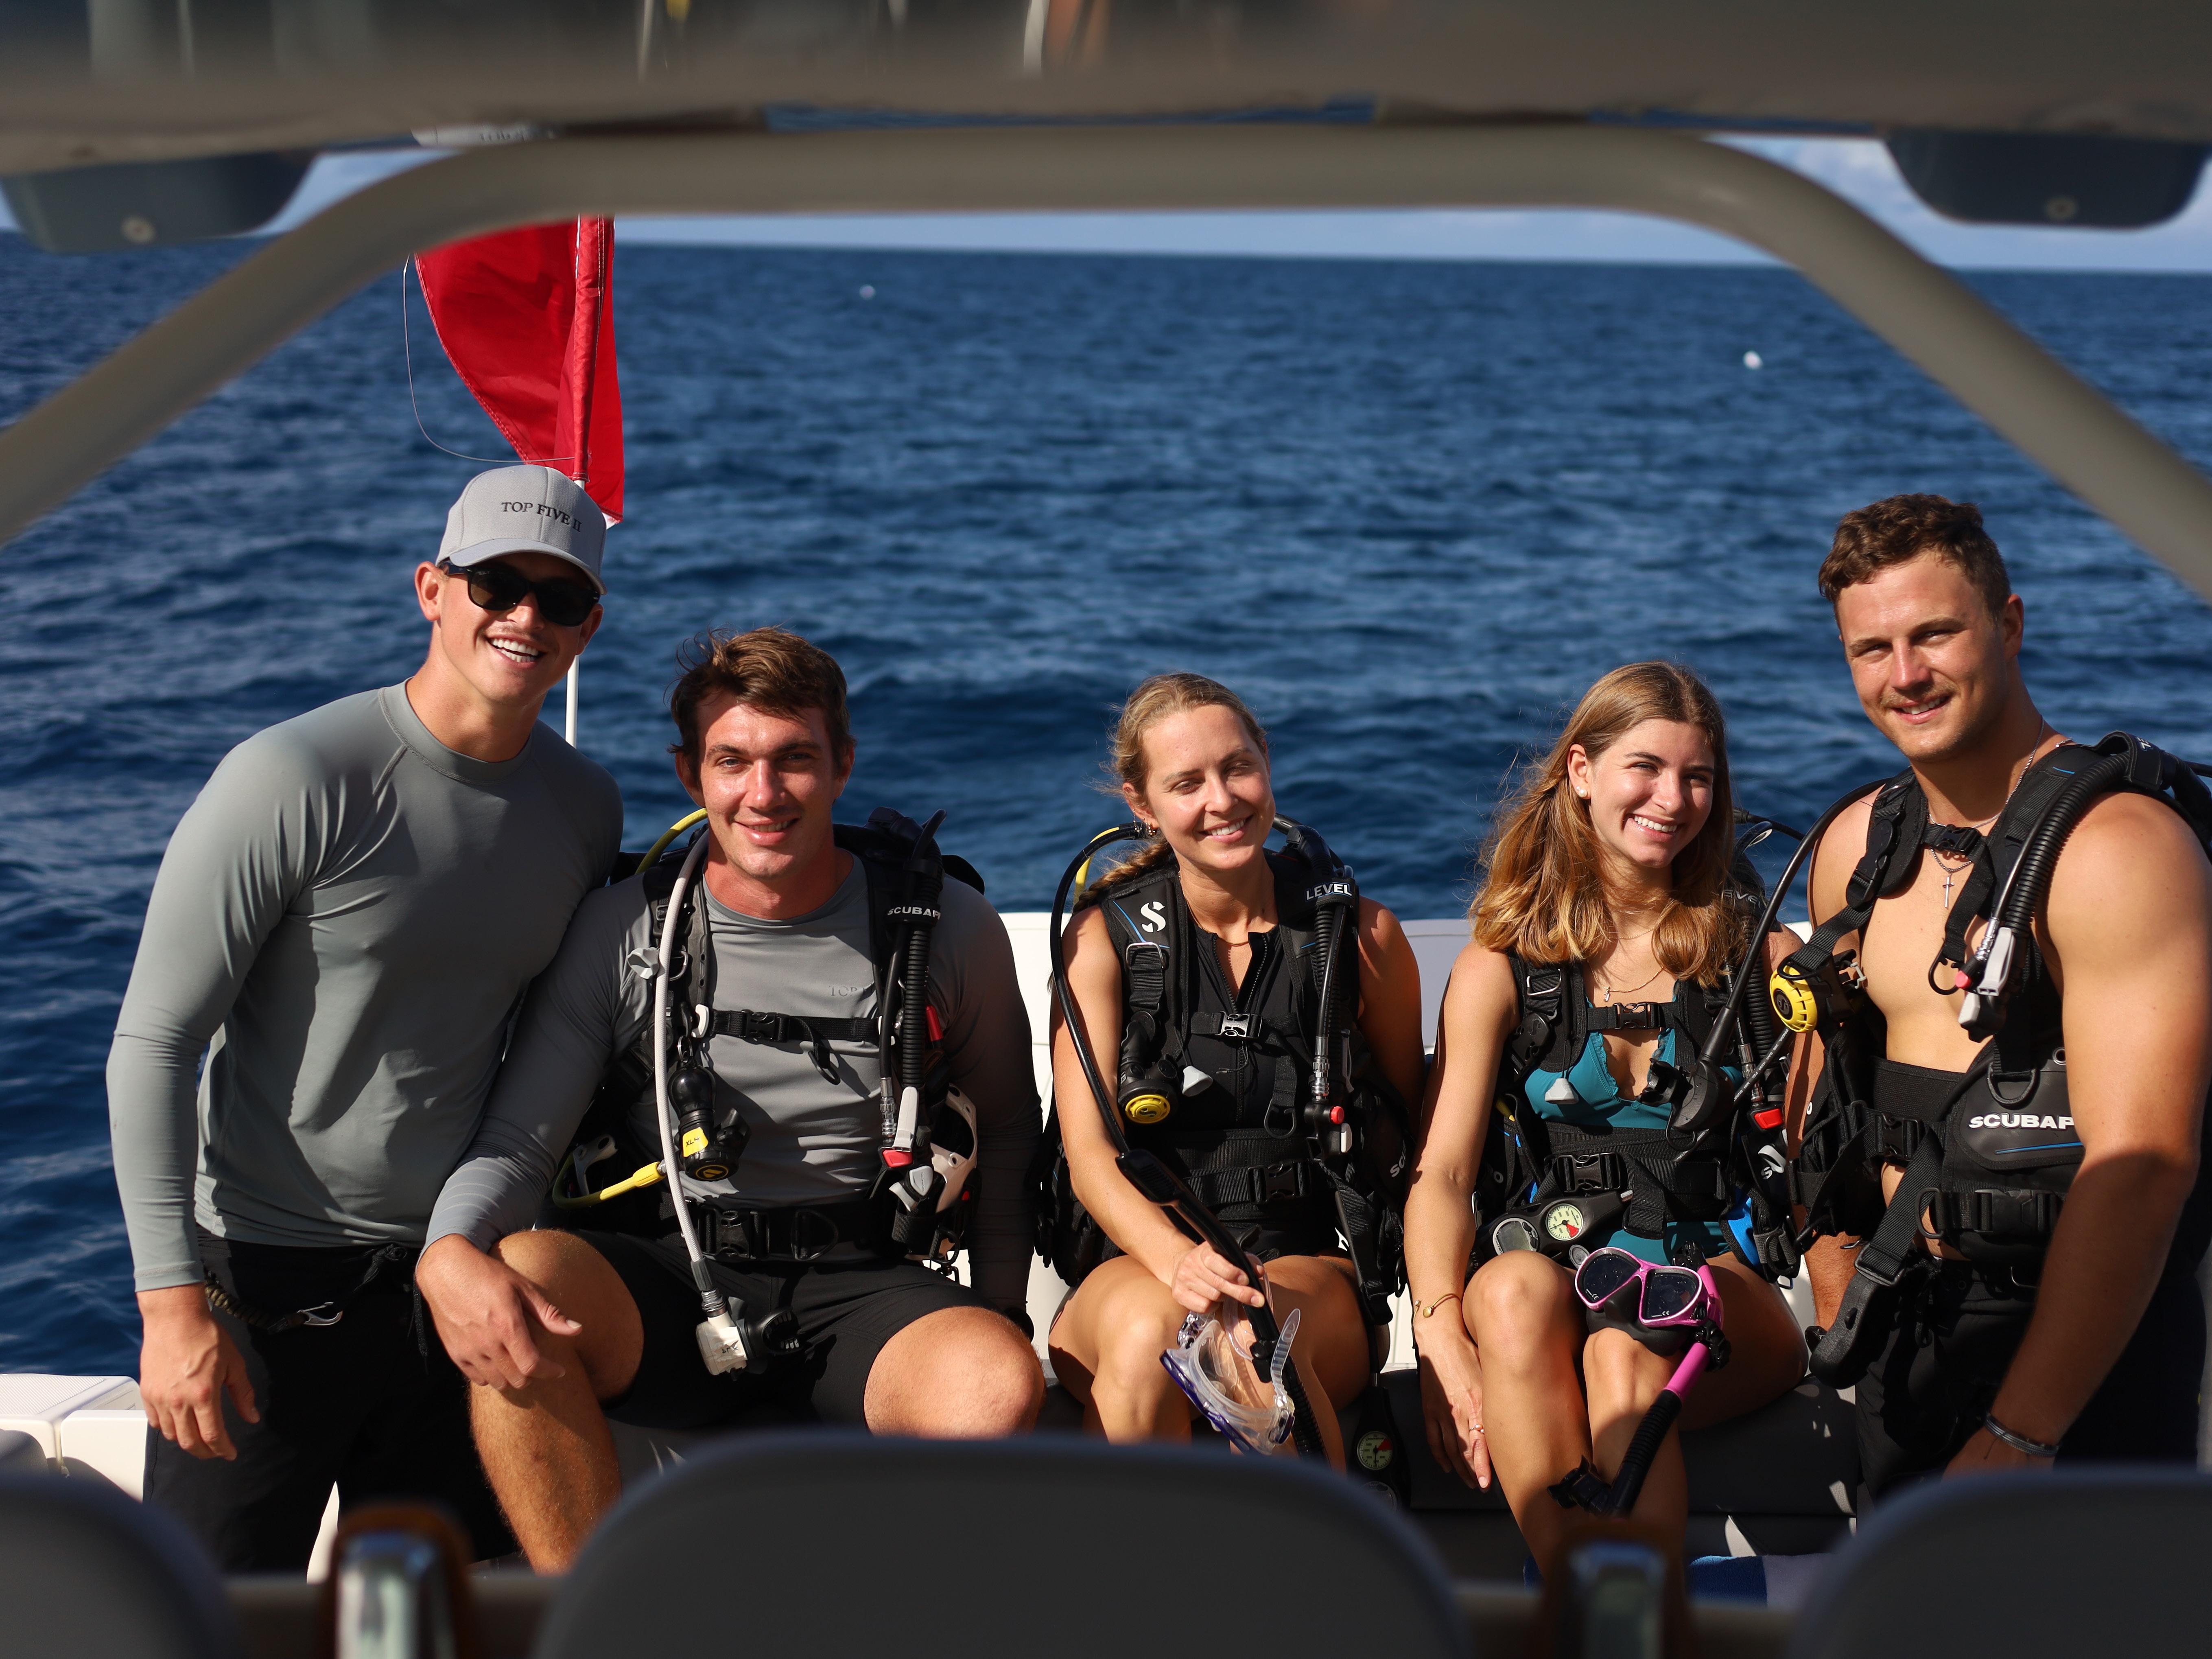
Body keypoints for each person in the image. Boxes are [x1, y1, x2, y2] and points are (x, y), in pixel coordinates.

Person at [417, 626, 1043, 1572]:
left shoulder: (945, 930)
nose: (764, 792)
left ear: (843, 765)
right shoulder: (626, 933)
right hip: (675, 1272)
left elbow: (1009, 1128)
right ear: (690, 774)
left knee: (994, 1382)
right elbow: (517, 1142)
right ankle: (587, 1614)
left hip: (869, 1280)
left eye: (795, 759)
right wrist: (449, 1250)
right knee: (518, 1280)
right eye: (733, 761)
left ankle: (898, 1620)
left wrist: (1002, 1314)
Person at [109, 464, 621, 1569]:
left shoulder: (585, 806)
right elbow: (153, 1043)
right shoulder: (291, 776)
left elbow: (557, 1043)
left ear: (590, 626)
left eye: (560, 596)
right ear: (431, 588)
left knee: (428, 1625)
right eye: (496, 584)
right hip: (261, 1294)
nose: (525, 616)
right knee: (207, 1625)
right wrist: (170, 1310)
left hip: (455, 1283)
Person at [1784, 495, 2212, 1495]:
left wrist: (2020, 1435)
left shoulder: (2118, 855)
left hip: (2081, 1362)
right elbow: (1832, 1114)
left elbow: (2143, 1172)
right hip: (1907, 1339)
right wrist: (1842, 1306)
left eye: (1934, 634)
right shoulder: (1858, 848)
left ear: (2010, 623)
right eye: (1872, 649)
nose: (1905, 674)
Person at [1405, 662, 1805, 1571]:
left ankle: (1608, 1620)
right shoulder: (1499, 968)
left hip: (1718, 1297)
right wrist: (1440, 1336)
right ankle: (1594, 1611)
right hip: (1565, 1283)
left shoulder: (1761, 958)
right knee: (1506, 1291)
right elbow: (1446, 1175)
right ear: (1581, 771)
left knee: (1623, 1349)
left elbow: (1820, 1164)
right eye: (1646, 768)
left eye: (1698, 777)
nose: (1674, 799)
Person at [1045, 673, 1423, 1463]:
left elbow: (1411, 1132)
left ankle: (1272, 1545)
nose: (1222, 800)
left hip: (1306, 1268)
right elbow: (1089, 1155)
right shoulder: (1100, 943)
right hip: (1138, 1265)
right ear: (1142, 804)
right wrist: (1180, 1263)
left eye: (1237, 768)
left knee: (1248, 1345)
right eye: (1187, 783)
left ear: (1266, 762)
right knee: (1156, 1334)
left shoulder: (1361, 939)